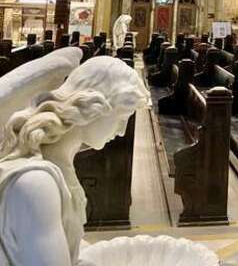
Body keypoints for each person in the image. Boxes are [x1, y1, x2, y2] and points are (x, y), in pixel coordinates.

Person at [0, 56, 149, 265]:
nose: (122, 131)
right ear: (97, 105)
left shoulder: (59, 167)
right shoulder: (36, 183)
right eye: (122, 117)